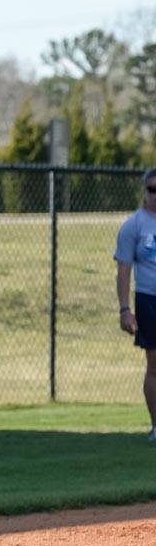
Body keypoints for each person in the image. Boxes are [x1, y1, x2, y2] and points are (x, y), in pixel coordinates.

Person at [114, 167, 156, 444]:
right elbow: (124, 270)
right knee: (155, 365)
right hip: (149, 300)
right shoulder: (134, 226)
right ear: (144, 191)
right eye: (152, 190)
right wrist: (125, 309)